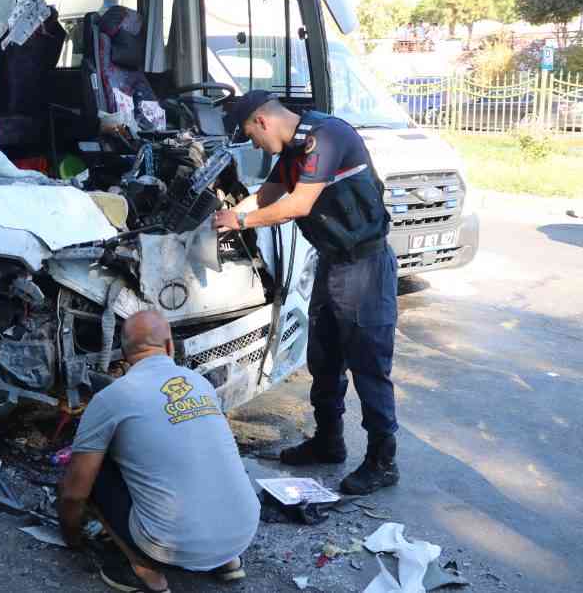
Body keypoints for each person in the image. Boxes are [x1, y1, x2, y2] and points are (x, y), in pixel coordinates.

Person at [214, 90, 399, 496]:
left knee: (368, 365)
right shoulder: (294, 151)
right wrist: (222, 221)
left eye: (251, 136)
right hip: (333, 263)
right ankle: (329, 442)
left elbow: (297, 204)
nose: (256, 146)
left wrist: (242, 220)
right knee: (325, 360)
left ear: (262, 121)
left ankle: (382, 461)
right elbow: (266, 196)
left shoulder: (326, 137)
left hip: (364, 267)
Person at [58, 310, 258, 593]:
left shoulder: (112, 398)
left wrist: (71, 539)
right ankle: (227, 562)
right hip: (243, 531)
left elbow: (74, 492)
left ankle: (145, 570)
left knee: (92, 469)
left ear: (125, 354)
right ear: (169, 346)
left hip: (166, 549)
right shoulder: (201, 384)